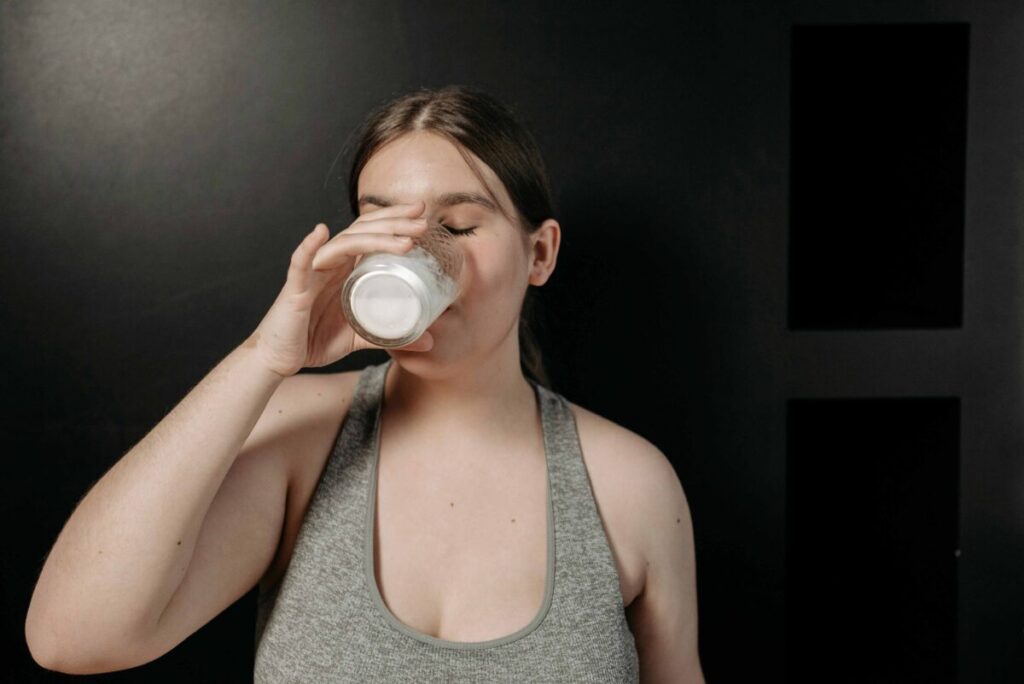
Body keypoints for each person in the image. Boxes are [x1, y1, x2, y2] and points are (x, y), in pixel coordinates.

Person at [25, 85, 703, 682]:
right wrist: (265, 357)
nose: (415, 250)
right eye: (385, 222)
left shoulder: (629, 483)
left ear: (540, 252)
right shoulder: (301, 439)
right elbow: (72, 639)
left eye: (457, 225)